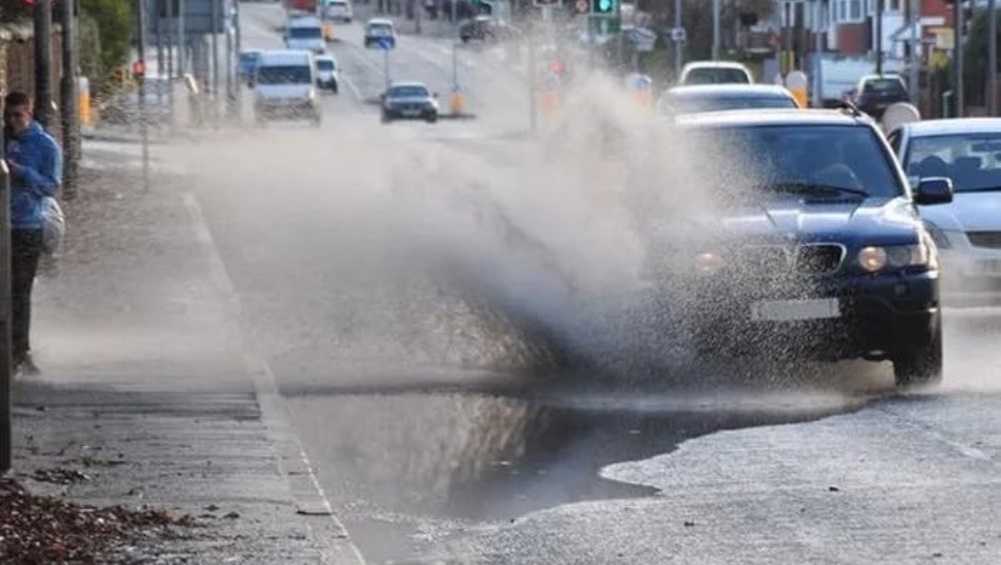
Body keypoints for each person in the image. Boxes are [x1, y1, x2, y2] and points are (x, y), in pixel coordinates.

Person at [4, 91, 62, 375]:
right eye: (9, 116)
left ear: (29, 114)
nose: (13, 122)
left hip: (28, 225)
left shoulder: (45, 146)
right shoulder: (3, 141)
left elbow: (51, 186)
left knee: (19, 290)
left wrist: (23, 173)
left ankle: (19, 349)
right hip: (3, 225)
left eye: (18, 116)